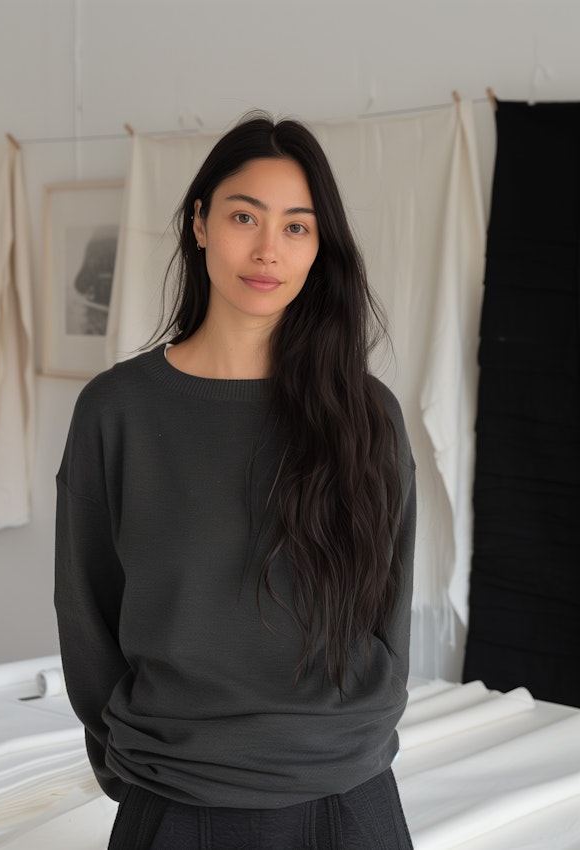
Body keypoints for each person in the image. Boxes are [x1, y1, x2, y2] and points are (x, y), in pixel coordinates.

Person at [55, 112, 416, 850]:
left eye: (296, 227)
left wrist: (354, 734)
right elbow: (86, 611)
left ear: (320, 248)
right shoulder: (118, 410)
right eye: (244, 216)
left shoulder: (365, 413)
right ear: (199, 224)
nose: (266, 250)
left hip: (347, 798)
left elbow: (389, 605)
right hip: (177, 797)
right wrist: (138, 761)